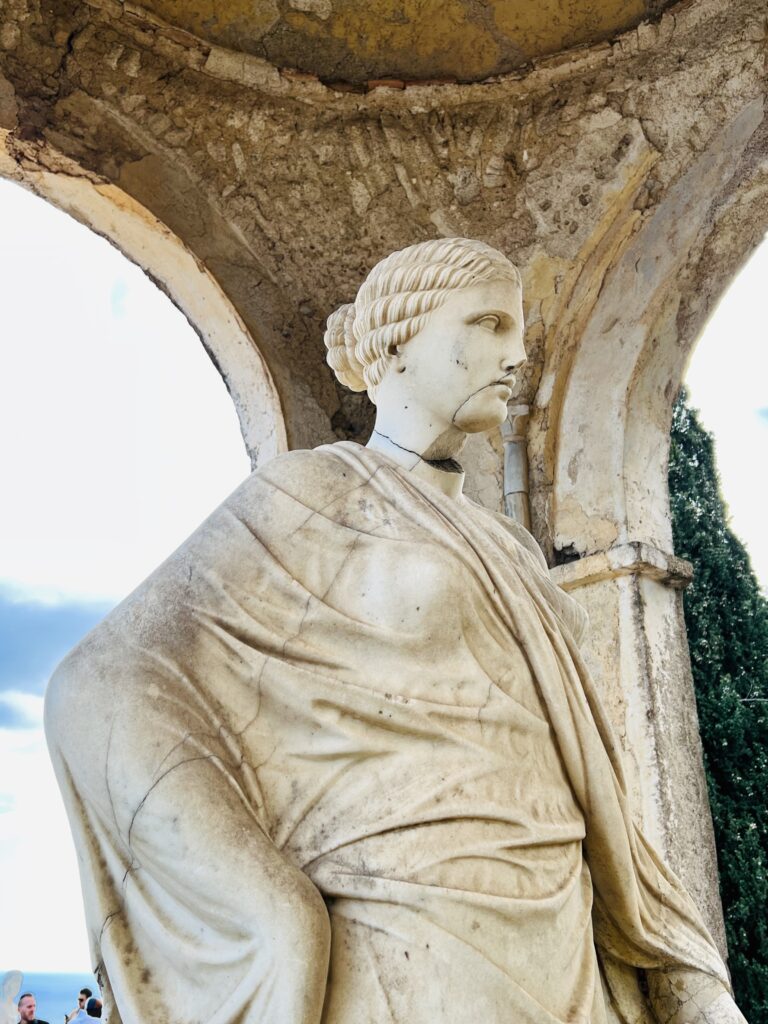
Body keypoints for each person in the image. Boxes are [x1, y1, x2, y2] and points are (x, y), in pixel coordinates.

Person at [45, 238, 748, 1023]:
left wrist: (682, 971)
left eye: (517, 331)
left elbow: (591, 772)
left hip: (567, 938)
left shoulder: (507, 544)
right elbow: (98, 688)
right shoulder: (310, 492)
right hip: (412, 941)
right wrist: (269, 909)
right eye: (487, 324)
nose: (516, 356)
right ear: (397, 343)